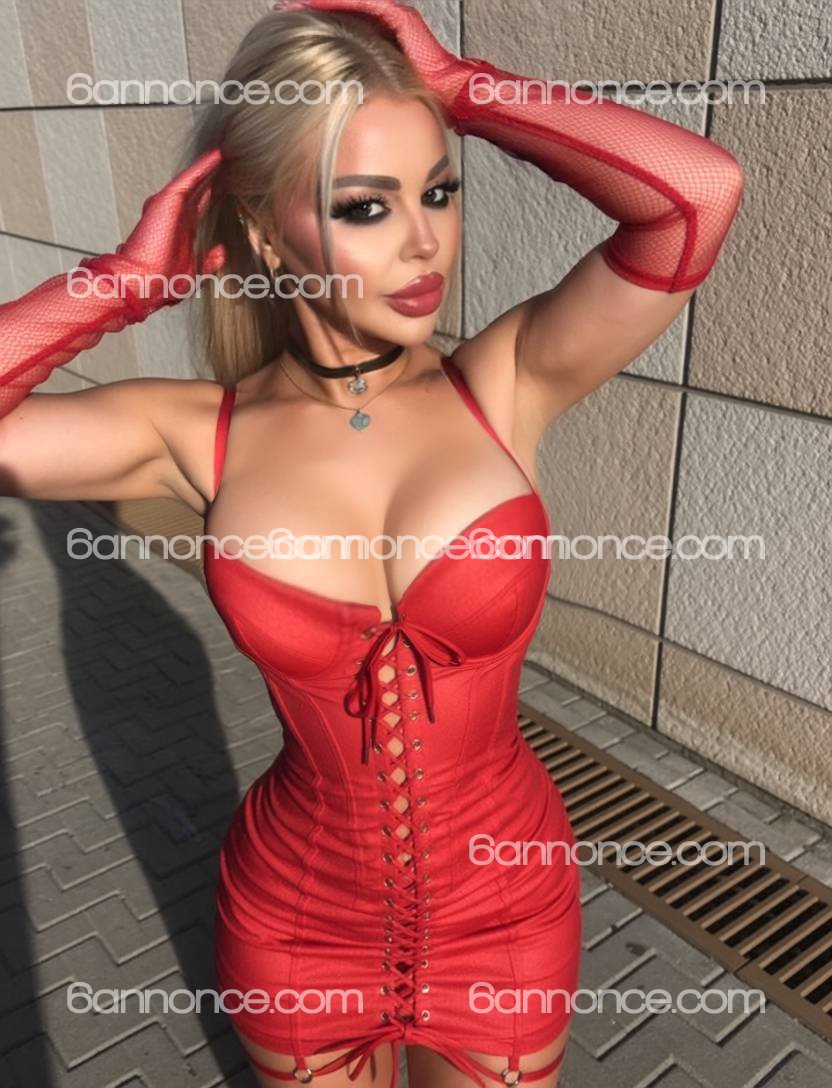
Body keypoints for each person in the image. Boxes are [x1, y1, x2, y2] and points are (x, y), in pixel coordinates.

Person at [0, 1, 744, 1085]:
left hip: (508, 910)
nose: (424, 240)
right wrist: (124, 282)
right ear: (267, 234)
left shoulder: (504, 383)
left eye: (438, 191)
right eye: (365, 205)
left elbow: (695, 197)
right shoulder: (194, 435)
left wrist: (466, 89)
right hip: (296, 922)